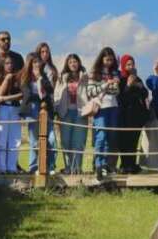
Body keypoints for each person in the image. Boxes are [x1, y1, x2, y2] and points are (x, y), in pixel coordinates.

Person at [83, 47, 120, 178]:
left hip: (113, 106)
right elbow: (91, 92)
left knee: (111, 136)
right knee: (101, 134)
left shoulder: (115, 73)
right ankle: (98, 164)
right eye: (107, 59)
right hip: (100, 107)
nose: (109, 62)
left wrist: (112, 85)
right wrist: (106, 85)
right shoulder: (94, 73)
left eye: (111, 60)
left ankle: (107, 165)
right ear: (101, 59)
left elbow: (116, 92)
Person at [19, 52, 56, 174]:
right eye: (34, 62)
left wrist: (40, 78)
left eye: (38, 62)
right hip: (32, 109)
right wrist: (41, 95)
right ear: (29, 63)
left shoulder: (43, 76)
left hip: (45, 109)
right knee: (34, 141)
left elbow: (50, 90)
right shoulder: (25, 77)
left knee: (51, 139)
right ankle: (33, 167)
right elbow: (27, 95)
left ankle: (50, 167)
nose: (37, 64)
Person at [54, 54, 88, 175]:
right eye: (70, 62)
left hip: (80, 112)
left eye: (75, 61)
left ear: (79, 63)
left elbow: (90, 93)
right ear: (67, 65)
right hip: (65, 112)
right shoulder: (62, 78)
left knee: (78, 141)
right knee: (66, 141)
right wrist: (56, 109)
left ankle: (77, 168)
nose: (73, 64)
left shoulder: (85, 77)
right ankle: (68, 166)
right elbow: (57, 94)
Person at [116, 54, 149, 175]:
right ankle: (124, 165)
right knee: (124, 141)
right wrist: (129, 85)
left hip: (136, 116)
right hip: (124, 115)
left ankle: (132, 164)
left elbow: (145, 94)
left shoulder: (137, 78)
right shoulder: (121, 79)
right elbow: (121, 97)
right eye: (128, 64)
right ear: (123, 65)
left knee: (134, 140)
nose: (130, 67)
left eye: (132, 64)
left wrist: (138, 85)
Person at [0, 53, 25, 173]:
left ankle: (12, 167)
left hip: (15, 109)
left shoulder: (19, 77)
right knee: (1, 140)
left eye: (11, 63)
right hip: (3, 109)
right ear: (2, 65)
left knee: (15, 140)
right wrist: (7, 79)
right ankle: (2, 167)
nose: (9, 65)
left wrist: (7, 98)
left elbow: (22, 94)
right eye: (7, 63)